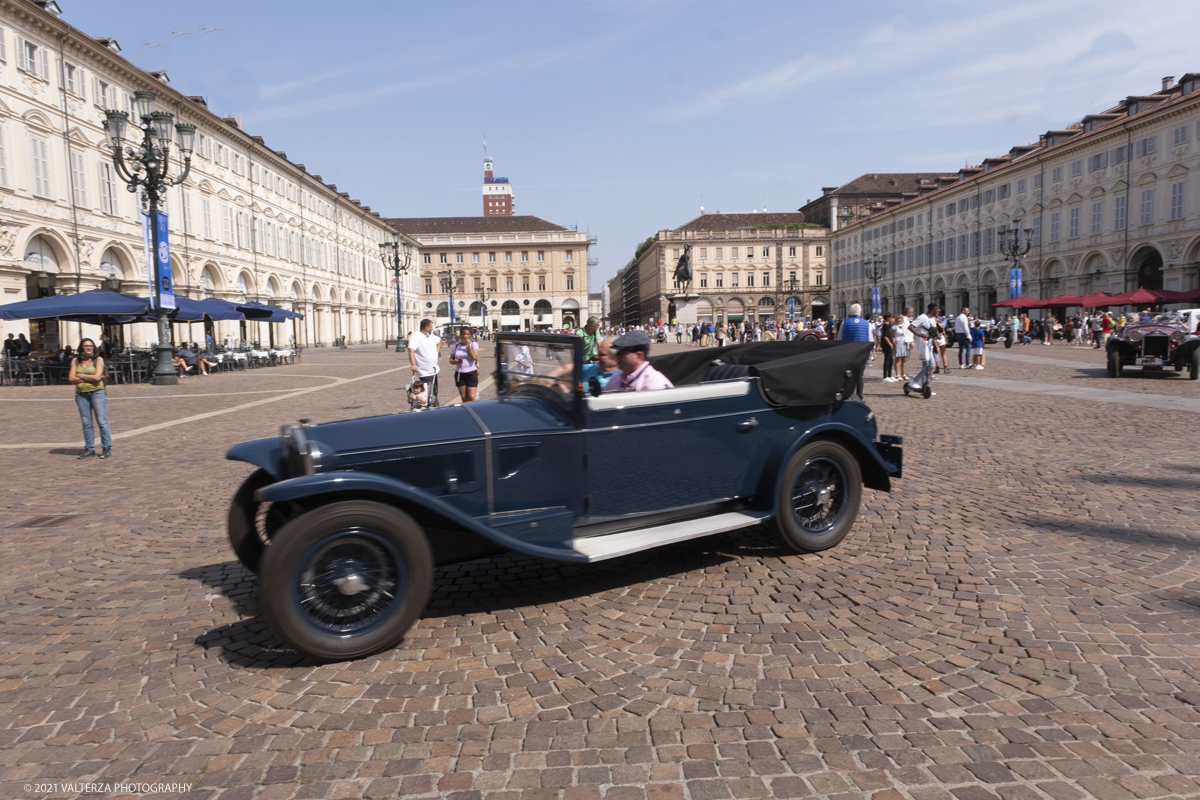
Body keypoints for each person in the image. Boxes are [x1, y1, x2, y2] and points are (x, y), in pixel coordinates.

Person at [70, 338, 112, 459]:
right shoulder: (75, 361)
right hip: (81, 394)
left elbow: (97, 378)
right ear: (81, 347)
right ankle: (89, 448)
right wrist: (90, 377)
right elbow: (71, 378)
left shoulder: (98, 360)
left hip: (97, 393)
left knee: (102, 422)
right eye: (86, 346)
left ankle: (106, 447)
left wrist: (80, 375)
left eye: (91, 346)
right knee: (86, 422)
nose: (89, 348)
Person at [603, 331, 674, 392]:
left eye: (622, 353)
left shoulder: (654, 384)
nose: (617, 355)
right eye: (618, 352)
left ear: (638, 356)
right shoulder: (616, 378)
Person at [836, 303, 873, 398]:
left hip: (849, 353)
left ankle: (848, 395)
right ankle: (860, 396)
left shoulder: (845, 322)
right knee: (860, 376)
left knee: (849, 375)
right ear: (860, 312)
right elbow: (871, 340)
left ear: (850, 312)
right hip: (862, 353)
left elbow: (840, 339)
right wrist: (872, 353)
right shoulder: (867, 324)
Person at [906, 303, 939, 397]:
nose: (938, 312)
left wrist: (938, 335)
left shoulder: (932, 319)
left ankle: (925, 387)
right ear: (933, 309)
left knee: (926, 366)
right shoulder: (922, 317)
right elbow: (910, 327)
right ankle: (914, 381)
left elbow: (934, 329)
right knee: (931, 365)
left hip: (930, 344)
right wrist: (919, 334)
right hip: (923, 344)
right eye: (937, 310)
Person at [407, 318, 443, 406]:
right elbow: (411, 350)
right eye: (431, 327)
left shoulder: (430, 336)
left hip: (433, 370)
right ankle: (431, 411)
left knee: (433, 393)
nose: (432, 329)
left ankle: (437, 411)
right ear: (427, 327)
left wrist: (436, 352)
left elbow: (440, 341)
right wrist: (413, 364)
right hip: (424, 370)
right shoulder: (416, 336)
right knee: (426, 394)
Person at [449, 327, 480, 403]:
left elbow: (474, 356)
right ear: (461, 335)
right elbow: (450, 359)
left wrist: (467, 345)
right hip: (460, 373)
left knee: (472, 397)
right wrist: (455, 362)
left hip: (471, 372)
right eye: (463, 334)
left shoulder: (474, 344)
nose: (465, 336)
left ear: (470, 335)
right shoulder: (456, 346)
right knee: (464, 397)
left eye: (467, 334)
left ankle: (474, 412)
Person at [880, 313, 897, 383]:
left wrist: (892, 339)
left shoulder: (888, 325)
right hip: (887, 345)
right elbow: (885, 336)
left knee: (891, 361)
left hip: (890, 344)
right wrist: (890, 344)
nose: (892, 319)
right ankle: (885, 376)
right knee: (887, 361)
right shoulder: (885, 326)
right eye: (891, 318)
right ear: (888, 318)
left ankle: (889, 375)